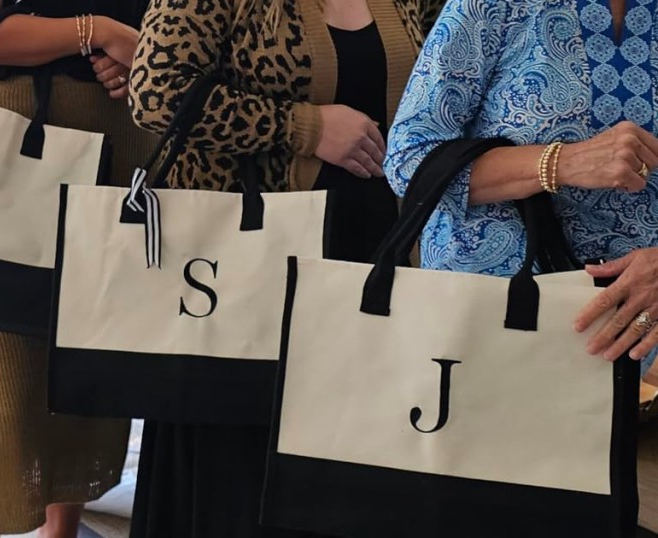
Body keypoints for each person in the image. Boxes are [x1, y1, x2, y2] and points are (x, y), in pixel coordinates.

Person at [126, 0, 444, 536]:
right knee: (238, 486)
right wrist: (303, 126)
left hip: (366, 272)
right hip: (243, 284)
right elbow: (155, 91)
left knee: (339, 478)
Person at [0, 1, 155, 537]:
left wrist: (142, 56)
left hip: (123, 129)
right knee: (10, 385)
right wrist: (98, 34)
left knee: (85, 371)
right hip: (29, 129)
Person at [385, 0, 658, 380]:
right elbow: (409, 158)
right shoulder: (495, 5)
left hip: (627, 347)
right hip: (482, 332)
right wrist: (560, 162)